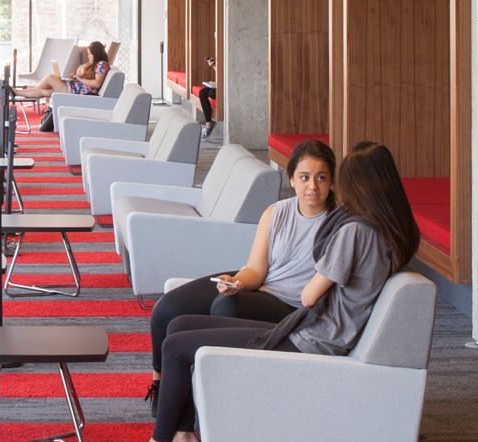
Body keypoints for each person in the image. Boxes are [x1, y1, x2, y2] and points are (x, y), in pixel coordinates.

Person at [116, 141, 418, 442]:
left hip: (314, 337)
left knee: (176, 345)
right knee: (180, 324)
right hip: (317, 331)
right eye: (304, 177)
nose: (320, 187)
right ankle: (183, 436)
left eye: (329, 178)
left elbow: (308, 295)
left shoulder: (354, 231)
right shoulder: (388, 234)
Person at [142, 139, 337, 372]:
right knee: (167, 309)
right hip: (262, 286)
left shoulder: (339, 225)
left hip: (292, 306)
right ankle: (159, 379)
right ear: (292, 179)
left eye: (321, 178)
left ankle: (212, 376)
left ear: (331, 181)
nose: (313, 186)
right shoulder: (276, 212)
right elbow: (256, 269)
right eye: (305, 177)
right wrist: (236, 282)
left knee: (225, 307)